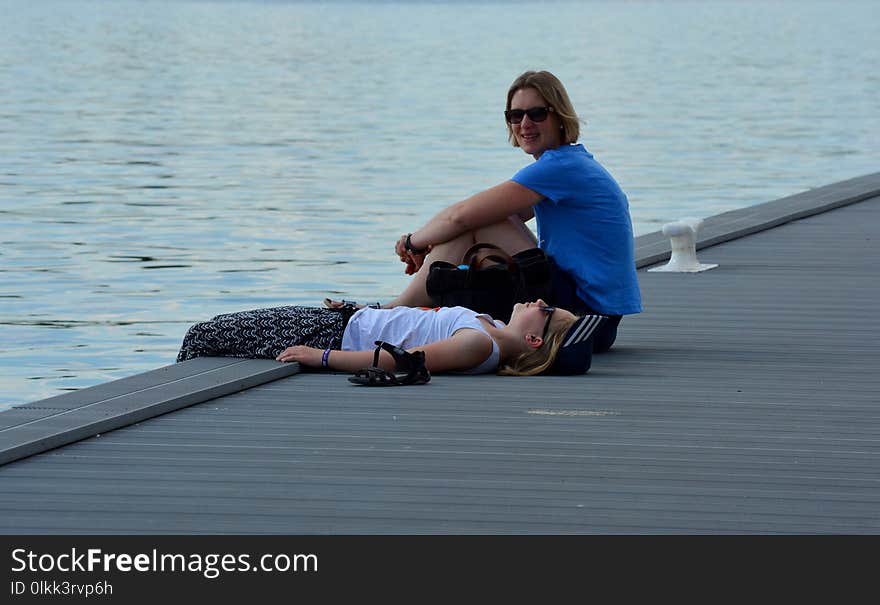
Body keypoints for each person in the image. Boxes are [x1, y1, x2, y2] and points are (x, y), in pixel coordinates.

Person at [327, 70, 641, 353]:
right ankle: (395, 311)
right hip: (593, 321)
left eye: (536, 113)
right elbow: (483, 221)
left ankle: (388, 314)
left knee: (478, 221)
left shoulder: (561, 168)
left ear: (559, 117)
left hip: (575, 323)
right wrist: (437, 244)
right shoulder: (572, 165)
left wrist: (413, 243)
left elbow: (462, 216)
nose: (525, 124)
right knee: (476, 230)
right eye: (515, 115)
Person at [177, 300, 608, 380]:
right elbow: (414, 321)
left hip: (333, 335)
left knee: (203, 335)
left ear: (533, 339)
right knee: (213, 331)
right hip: (346, 319)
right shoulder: (490, 325)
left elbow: (405, 358)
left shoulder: (480, 345)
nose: (538, 300)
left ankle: (175, 387)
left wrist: (321, 357)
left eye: (547, 310)